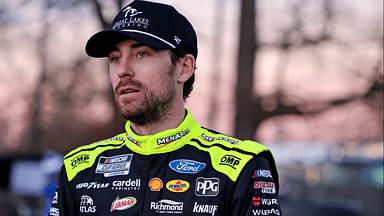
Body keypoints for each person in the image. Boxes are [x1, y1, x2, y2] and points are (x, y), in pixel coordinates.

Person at [48, 0, 282, 215]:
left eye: (141, 54)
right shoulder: (78, 170)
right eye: (115, 58)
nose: (122, 70)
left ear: (183, 68)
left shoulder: (242, 167)